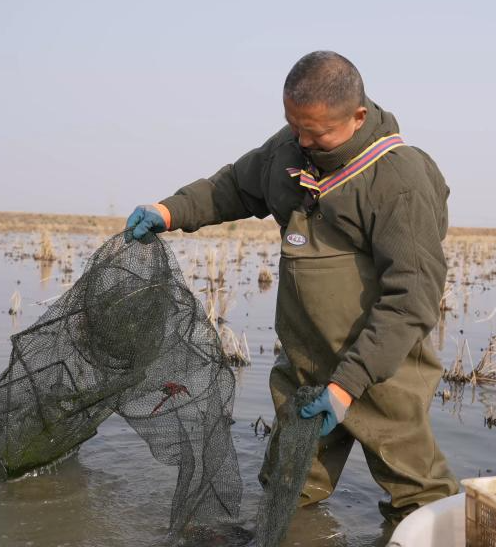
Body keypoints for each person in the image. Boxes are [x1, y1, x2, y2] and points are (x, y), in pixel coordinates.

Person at [126, 50, 458, 522]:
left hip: (380, 366)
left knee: (418, 493)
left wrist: (347, 385)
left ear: (358, 116)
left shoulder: (398, 180)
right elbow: (234, 187)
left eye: (317, 132)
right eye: (294, 125)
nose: (303, 140)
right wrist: (170, 211)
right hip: (305, 361)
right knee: (289, 485)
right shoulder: (290, 149)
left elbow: (413, 299)